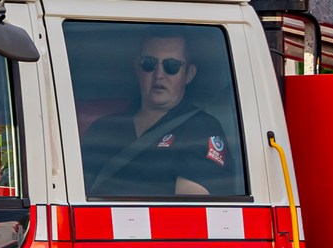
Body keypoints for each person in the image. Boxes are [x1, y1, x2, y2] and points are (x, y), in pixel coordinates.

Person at [80, 31, 234, 197]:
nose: (159, 75)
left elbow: (191, 210)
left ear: (189, 74)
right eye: (149, 64)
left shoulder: (200, 129)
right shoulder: (104, 128)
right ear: (138, 69)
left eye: (171, 66)